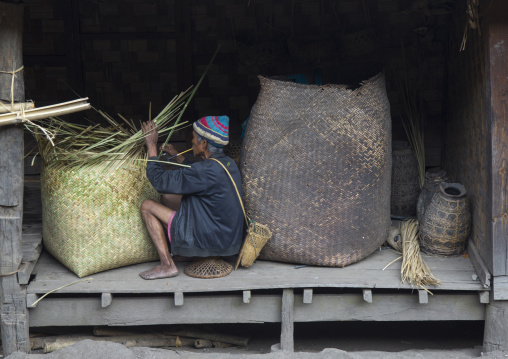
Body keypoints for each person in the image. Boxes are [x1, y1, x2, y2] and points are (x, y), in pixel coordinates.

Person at [139, 116, 244, 280]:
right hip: (228, 238)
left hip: (212, 239)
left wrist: (151, 145)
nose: (192, 141)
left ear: (204, 144)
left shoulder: (205, 170)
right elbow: (200, 173)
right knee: (169, 197)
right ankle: (184, 252)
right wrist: (176, 156)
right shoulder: (227, 164)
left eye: (194, 137)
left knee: (147, 205)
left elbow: (158, 180)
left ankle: (167, 265)